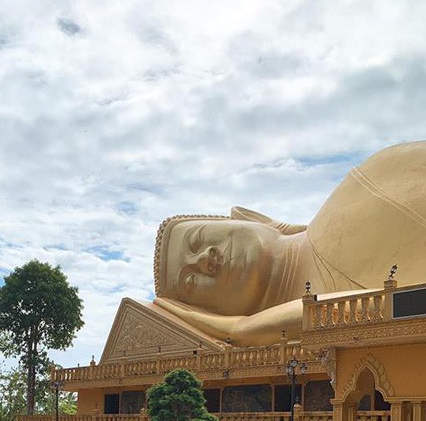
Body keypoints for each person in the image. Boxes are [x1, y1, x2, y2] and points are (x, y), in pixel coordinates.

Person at [153, 141, 426, 345]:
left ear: (250, 217)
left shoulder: (377, 171)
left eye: (197, 240)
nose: (202, 260)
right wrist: (242, 330)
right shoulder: (336, 312)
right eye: (190, 282)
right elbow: (407, 304)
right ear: (213, 313)